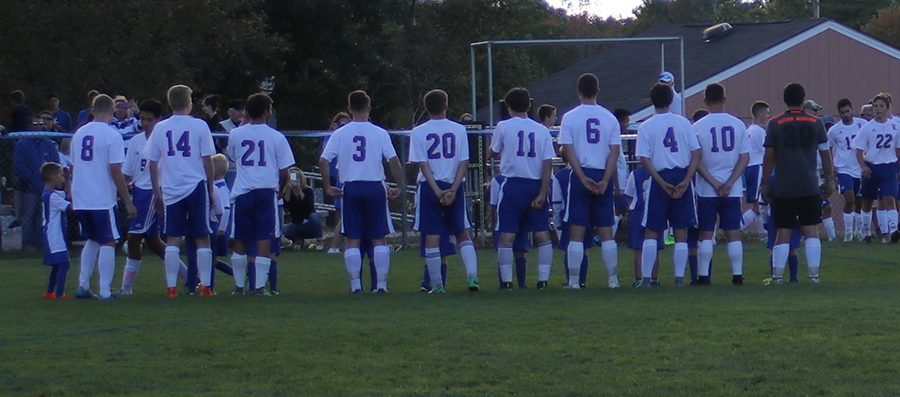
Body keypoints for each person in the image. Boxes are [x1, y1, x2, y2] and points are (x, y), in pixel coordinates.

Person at [320, 90, 403, 293]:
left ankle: (356, 285)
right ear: (369, 107)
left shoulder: (339, 133)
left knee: (352, 237)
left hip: (352, 187)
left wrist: (327, 185)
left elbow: (323, 160)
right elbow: (393, 161)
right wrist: (400, 185)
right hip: (375, 186)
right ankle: (381, 285)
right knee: (379, 237)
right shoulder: (380, 132)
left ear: (349, 108)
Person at [144, 85, 217, 298]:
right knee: (202, 237)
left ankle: (171, 287)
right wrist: (211, 188)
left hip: (171, 187)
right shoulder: (200, 126)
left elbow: (153, 162)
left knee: (173, 238)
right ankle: (205, 286)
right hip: (195, 185)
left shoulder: (160, 127)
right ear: (188, 102)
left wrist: (157, 191)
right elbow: (208, 161)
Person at [760, 82, 833, 285]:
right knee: (811, 231)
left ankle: (777, 277)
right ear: (803, 99)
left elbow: (769, 156)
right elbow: (826, 155)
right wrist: (829, 180)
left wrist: (765, 183)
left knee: (783, 232)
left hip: (784, 186)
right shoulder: (816, 122)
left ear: (784, 99)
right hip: (809, 184)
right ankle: (814, 275)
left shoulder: (775, 123)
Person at [409, 89, 480, 293]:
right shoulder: (459, 129)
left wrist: (438, 190)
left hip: (431, 187)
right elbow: (463, 162)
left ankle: (438, 286)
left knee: (432, 235)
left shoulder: (419, 131)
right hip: (453, 185)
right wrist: (453, 189)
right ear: (446, 106)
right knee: (462, 232)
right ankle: (472, 278)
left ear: (426, 107)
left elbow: (423, 165)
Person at [225, 93, 294, 295]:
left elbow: (233, 156)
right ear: (267, 111)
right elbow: (284, 171)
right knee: (264, 237)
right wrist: (280, 189)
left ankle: (239, 286)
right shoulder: (277, 137)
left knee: (240, 238)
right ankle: (258, 287)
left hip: (243, 190)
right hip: (266, 190)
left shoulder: (236, 134)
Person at [558, 73, 621, 289]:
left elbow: (568, 149)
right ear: (598, 91)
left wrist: (582, 177)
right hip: (602, 172)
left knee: (576, 230)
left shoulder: (569, 117)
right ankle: (613, 279)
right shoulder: (610, 118)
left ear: (578, 91)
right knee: (606, 230)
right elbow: (614, 152)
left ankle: (574, 281)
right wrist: (605, 179)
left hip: (580, 174)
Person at [635, 83, 701, 288]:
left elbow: (643, 158)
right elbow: (696, 152)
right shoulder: (683, 123)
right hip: (681, 174)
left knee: (652, 230)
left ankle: (647, 278)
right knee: (680, 230)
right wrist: (686, 180)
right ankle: (679, 278)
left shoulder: (646, 126)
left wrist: (661, 182)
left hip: (659, 176)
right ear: (671, 101)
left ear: (651, 101)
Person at [71, 94, 136, 300]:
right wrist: (127, 200)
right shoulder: (111, 135)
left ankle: (83, 285)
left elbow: (72, 167)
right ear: (111, 111)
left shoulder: (79, 133)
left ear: (92, 110)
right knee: (108, 241)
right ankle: (105, 290)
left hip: (81, 195)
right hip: (101, 197)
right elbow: (116, 170)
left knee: (92, 239)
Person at [120, 99, 188, 295]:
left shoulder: (166, 140)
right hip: (139, 192)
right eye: (142, 118)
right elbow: (128, 172)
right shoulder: (135, 141)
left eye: (149, 119)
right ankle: (193, 277)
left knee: (133, 238)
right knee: (154, 242)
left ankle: (126, 289)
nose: (144, 123)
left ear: (159, 120)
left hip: (153, 193)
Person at [491, 87, 555, 290]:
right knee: (542, 233)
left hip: (513, 184)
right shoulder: (542, 130)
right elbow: (547, 163)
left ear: (508, 106)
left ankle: (507, 282)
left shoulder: (503, 125)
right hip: (536, 183)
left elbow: (493, 152)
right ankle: (543, 280)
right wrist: (543, 192)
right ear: (529, 105)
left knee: (507, 234)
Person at [691, 83, 749, 285]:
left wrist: (714, 182)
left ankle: (704, 276)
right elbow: (744, 157)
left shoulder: (698, 126)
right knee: (733, 232)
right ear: (725, 99)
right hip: (732, 188)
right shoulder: (738, 124)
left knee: (706, 233)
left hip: (707, 187)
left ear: (705, 101)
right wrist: (730, 182)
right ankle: (737, 275)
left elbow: (695, 160)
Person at [853, 93, 898, 244]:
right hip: (872, 167)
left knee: (889, 198)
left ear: (887, 108)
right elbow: (858, 149)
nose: (878, 109)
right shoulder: (868, 127)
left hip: (889, 166)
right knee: (867, 200)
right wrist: (863, 166)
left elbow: (898, 148)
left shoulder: (895, 126)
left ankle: (893, 231)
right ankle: (866, 232)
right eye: (875, 106)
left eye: (881, 106)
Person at [13, 113, 60, 251]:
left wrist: (49, 182)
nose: (39, 127)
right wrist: (35, 181)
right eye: (35, 124)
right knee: (28, 216)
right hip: (29, 188)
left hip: (47, 187)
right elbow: (19, 167)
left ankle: (42, 244)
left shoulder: (49, 144)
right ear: (29, 126)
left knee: (44, 217)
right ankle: (27, 246)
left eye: (41, 124)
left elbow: (55, 164)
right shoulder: (22, 144)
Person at [551, 149, 592, 288]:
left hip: (568, 216)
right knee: (584, 248)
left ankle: (572, 280)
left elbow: (556, 201)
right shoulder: (587, 173)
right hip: (587, 213)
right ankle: (582, 280)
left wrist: (556, 220)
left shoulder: (560, 176)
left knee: (571, 248)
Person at [827, 98, 866, 241]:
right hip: (844, 168)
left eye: (847, 111)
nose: (846, 114)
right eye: (842, 112)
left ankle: (859, 231)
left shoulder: (862, 124)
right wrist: (833, 166)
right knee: (849, 197)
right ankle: (848, 233)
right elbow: (828, 147)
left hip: (860, 168)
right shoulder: (834, 130)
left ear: (852, 110)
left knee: (860, 200)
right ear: (839, 113)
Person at [623, 165, 662, 287]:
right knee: (654, 247)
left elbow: (628, 195)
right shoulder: (659, 172)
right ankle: (654, 278)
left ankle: (639, 278)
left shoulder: (635, 174)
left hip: (638, 211)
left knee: (639, 248)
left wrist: (628, 211)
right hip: (655, 210)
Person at [40, 162, 71, 299]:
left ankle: (49, 292)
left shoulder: (51, 194)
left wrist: (69, 179)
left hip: (53, 233)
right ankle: (59, 294)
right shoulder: (51, 197)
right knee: (64, 263)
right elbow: (70, 208)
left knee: (57, 265)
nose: (62, 178)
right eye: (61, 175)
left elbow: (66, 195)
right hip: (54, 234)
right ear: (53, 177)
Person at [741, 101, 769, 238]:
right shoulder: (759, 131)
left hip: (750, 167)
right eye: (766, 113)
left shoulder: (749, 130)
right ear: (760, 113)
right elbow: (766, 151)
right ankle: (735, 228)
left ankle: (763, 234)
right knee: (757, 206)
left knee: (761, 203)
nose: (767, 116)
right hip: (757, 167)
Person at [323, 112, 350, 254]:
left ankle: (343, 245)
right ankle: (335, 246)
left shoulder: (349, 135)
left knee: (345, 213)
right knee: (342, 213)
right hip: (340, 177)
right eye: (341, 124)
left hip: (347, 175)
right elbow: (325, 157)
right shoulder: (333, 136)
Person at [282, 167, 323, 246]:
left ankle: (319, 240)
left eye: (297, 177)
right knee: (285, 230)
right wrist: (288, 189)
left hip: (309, 223)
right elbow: (285, 206)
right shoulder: (287, 192)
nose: (295, 179)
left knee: (314, 216)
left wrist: (299, 190)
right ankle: (298, 240)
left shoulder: (308, 190)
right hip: (297, 224)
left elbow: (308, 205)